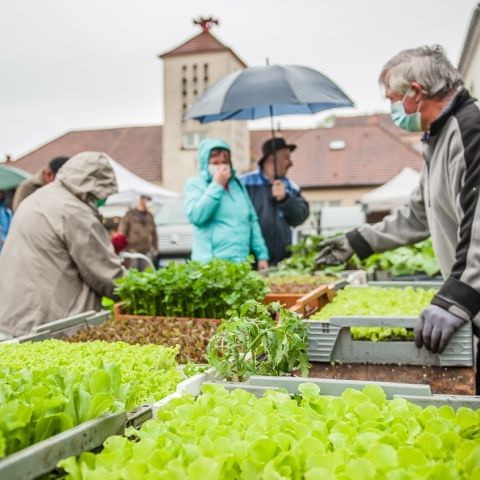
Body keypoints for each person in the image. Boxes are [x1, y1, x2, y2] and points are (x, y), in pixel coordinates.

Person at [316, 45, 479, 358]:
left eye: (392, 98)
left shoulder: (469, 132)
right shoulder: (439, 138)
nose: (391, 109)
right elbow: (417, 215)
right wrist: (357, 241)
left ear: (416, 93)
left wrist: (456, 299)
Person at [0, 152, 124, 337]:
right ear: (94, 187)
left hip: (14, 316)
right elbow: (105, 272)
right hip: (49, 322)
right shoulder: (73, 210)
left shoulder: (38, 197)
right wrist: (142, 291)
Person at [184, 138, 269, 268]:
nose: (221, 166)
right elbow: (196, 216)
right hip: (211, 265)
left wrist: (262, 254)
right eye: (215, 162)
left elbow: (251, 220)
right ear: (205, 163)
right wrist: (217, 185)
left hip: (240, 262)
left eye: (225, 162)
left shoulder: (237, 185)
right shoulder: (196, 184)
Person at [240, 137, 309, 265]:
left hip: (282, 260)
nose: (290, 163)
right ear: (272, 159)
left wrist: (285, 199)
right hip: (251, 260)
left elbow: (300, 217)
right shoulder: (244, 184)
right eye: (286, 158)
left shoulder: (290, 186)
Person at [118, 194, 158, 270]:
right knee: (133, 273)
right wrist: (122, 249)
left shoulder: (150, 216)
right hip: (132, 252)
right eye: (145, 199)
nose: (147, 202)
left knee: (148, 273)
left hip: (146, 251)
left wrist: (155, 248)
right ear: (141, 200)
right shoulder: (129, 215)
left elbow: (154, 234)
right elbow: (122, 233)